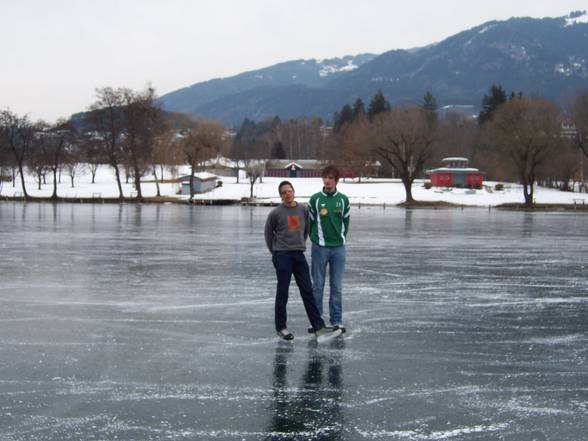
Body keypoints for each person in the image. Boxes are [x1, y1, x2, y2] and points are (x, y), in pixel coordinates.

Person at [264, 181, 332, 340]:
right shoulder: (275, 213)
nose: (287, 194)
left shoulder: (303, 210)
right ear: (281, 196)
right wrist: (274, 252)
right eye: (284, 192)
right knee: (283, 292)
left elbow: (307, 230)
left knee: (307, 291)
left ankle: (318, 326)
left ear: (294, 192)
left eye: (289, 191)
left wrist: (299, 244)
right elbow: (268, 234)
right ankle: (281, 327)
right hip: (282, 255)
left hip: (298, 255)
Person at [308, 165, 350, 333]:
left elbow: (345, 223)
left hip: (338, 249)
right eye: (325, 177)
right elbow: (310, 222)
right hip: (319, 248)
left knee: (336, 286)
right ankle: (316, 321)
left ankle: (337, 320)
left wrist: (340, 239)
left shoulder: (343, 200)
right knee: (317, 286)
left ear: (336, 180)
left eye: (330, 178)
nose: (327, 180)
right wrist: (316, 239)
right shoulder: (315, 199)